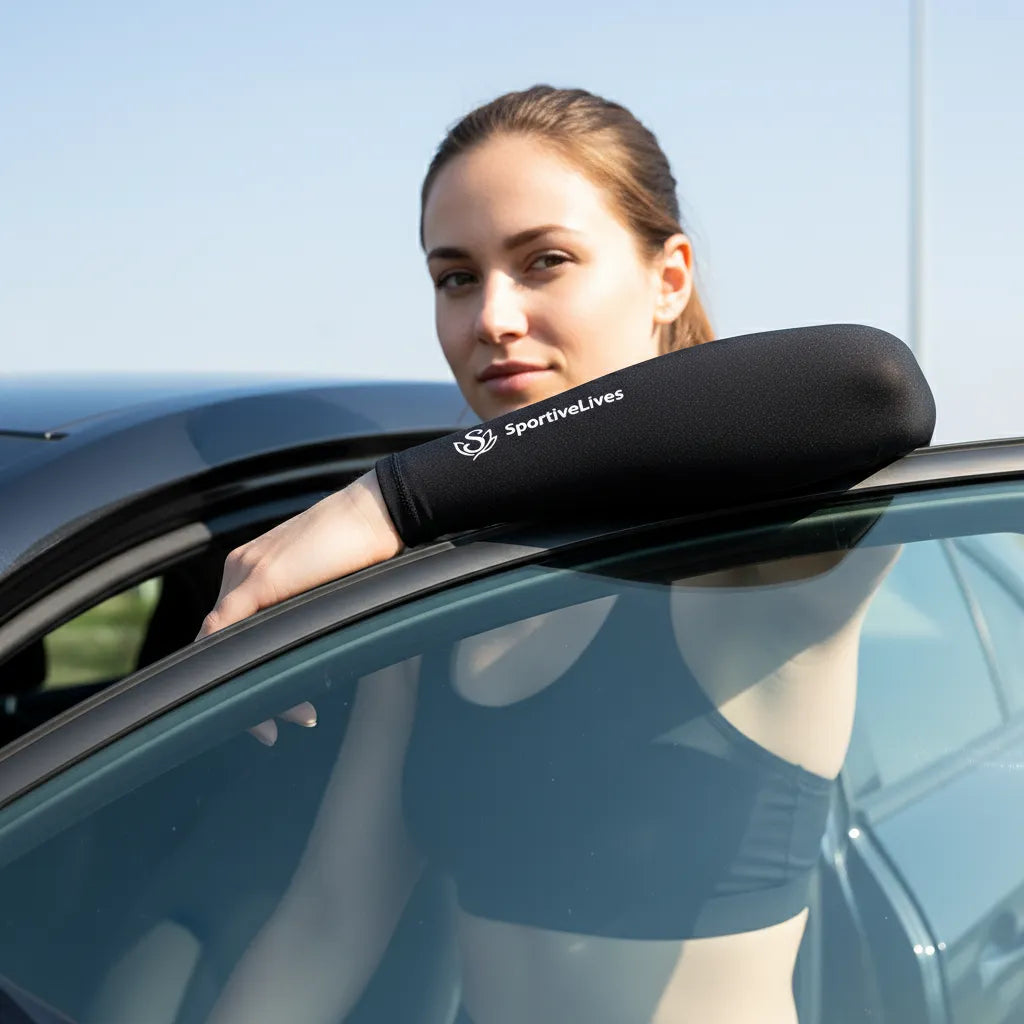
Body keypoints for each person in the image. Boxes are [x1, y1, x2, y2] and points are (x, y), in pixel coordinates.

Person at [202, 86, 935, 1023]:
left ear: (670, 278)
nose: (492, 318)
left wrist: (390, 497)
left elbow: (871, 386)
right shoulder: (437, 595)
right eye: (456, 277)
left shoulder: (749, 561)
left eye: (544, 261)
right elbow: (330, 922)